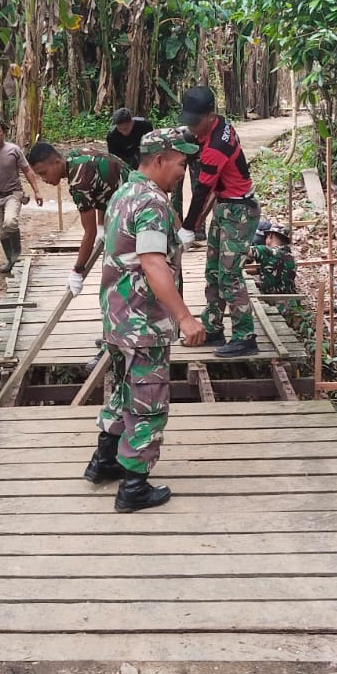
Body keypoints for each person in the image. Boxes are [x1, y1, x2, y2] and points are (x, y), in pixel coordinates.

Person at [85, 127, 207, 512]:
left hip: (118, 318)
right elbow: (153, 263)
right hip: (142, 322)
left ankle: (105, 462)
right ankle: (134, 485)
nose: (182, 172)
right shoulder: (152, 203)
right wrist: (185, 317)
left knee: (122, 390)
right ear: (159, 160)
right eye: (180, 163)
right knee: (148, 400)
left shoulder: (124, 192)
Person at [177, 85, 259, 357]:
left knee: (230, 275)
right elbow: (190, 138)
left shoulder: (217, 146)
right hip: (225, 207)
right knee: (213, 271)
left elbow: (201, 190)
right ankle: (213, 327)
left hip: (239, 212)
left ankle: (245, 336)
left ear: (210, 115)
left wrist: (188, 228)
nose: (192, 127)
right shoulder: (219, 125)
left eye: (195, 122)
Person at [25, 141, 130, 296]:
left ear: (57, 162)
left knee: (118, 271)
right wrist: (101, 224)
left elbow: (89, 233)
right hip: (135, 194)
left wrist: (77, 270)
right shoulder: (77, 156)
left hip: (133, 209)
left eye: (44, 173)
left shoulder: (79, 182)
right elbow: (103, 189)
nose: (44, 179)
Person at [0, 117, 45, 273]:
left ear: (3, 132)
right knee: (0, 231)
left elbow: (27, 170)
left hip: (14, 193)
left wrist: (37, 191)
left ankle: (16, 252)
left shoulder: (14, 150)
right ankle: (10, 259)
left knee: (10, 222)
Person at [248, 221, 297, 312]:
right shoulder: (290, 257)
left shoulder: (267, 251)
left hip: (274, 306)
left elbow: (244, 250)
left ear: (270, 235)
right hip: (290, 305)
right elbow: (271, 270)